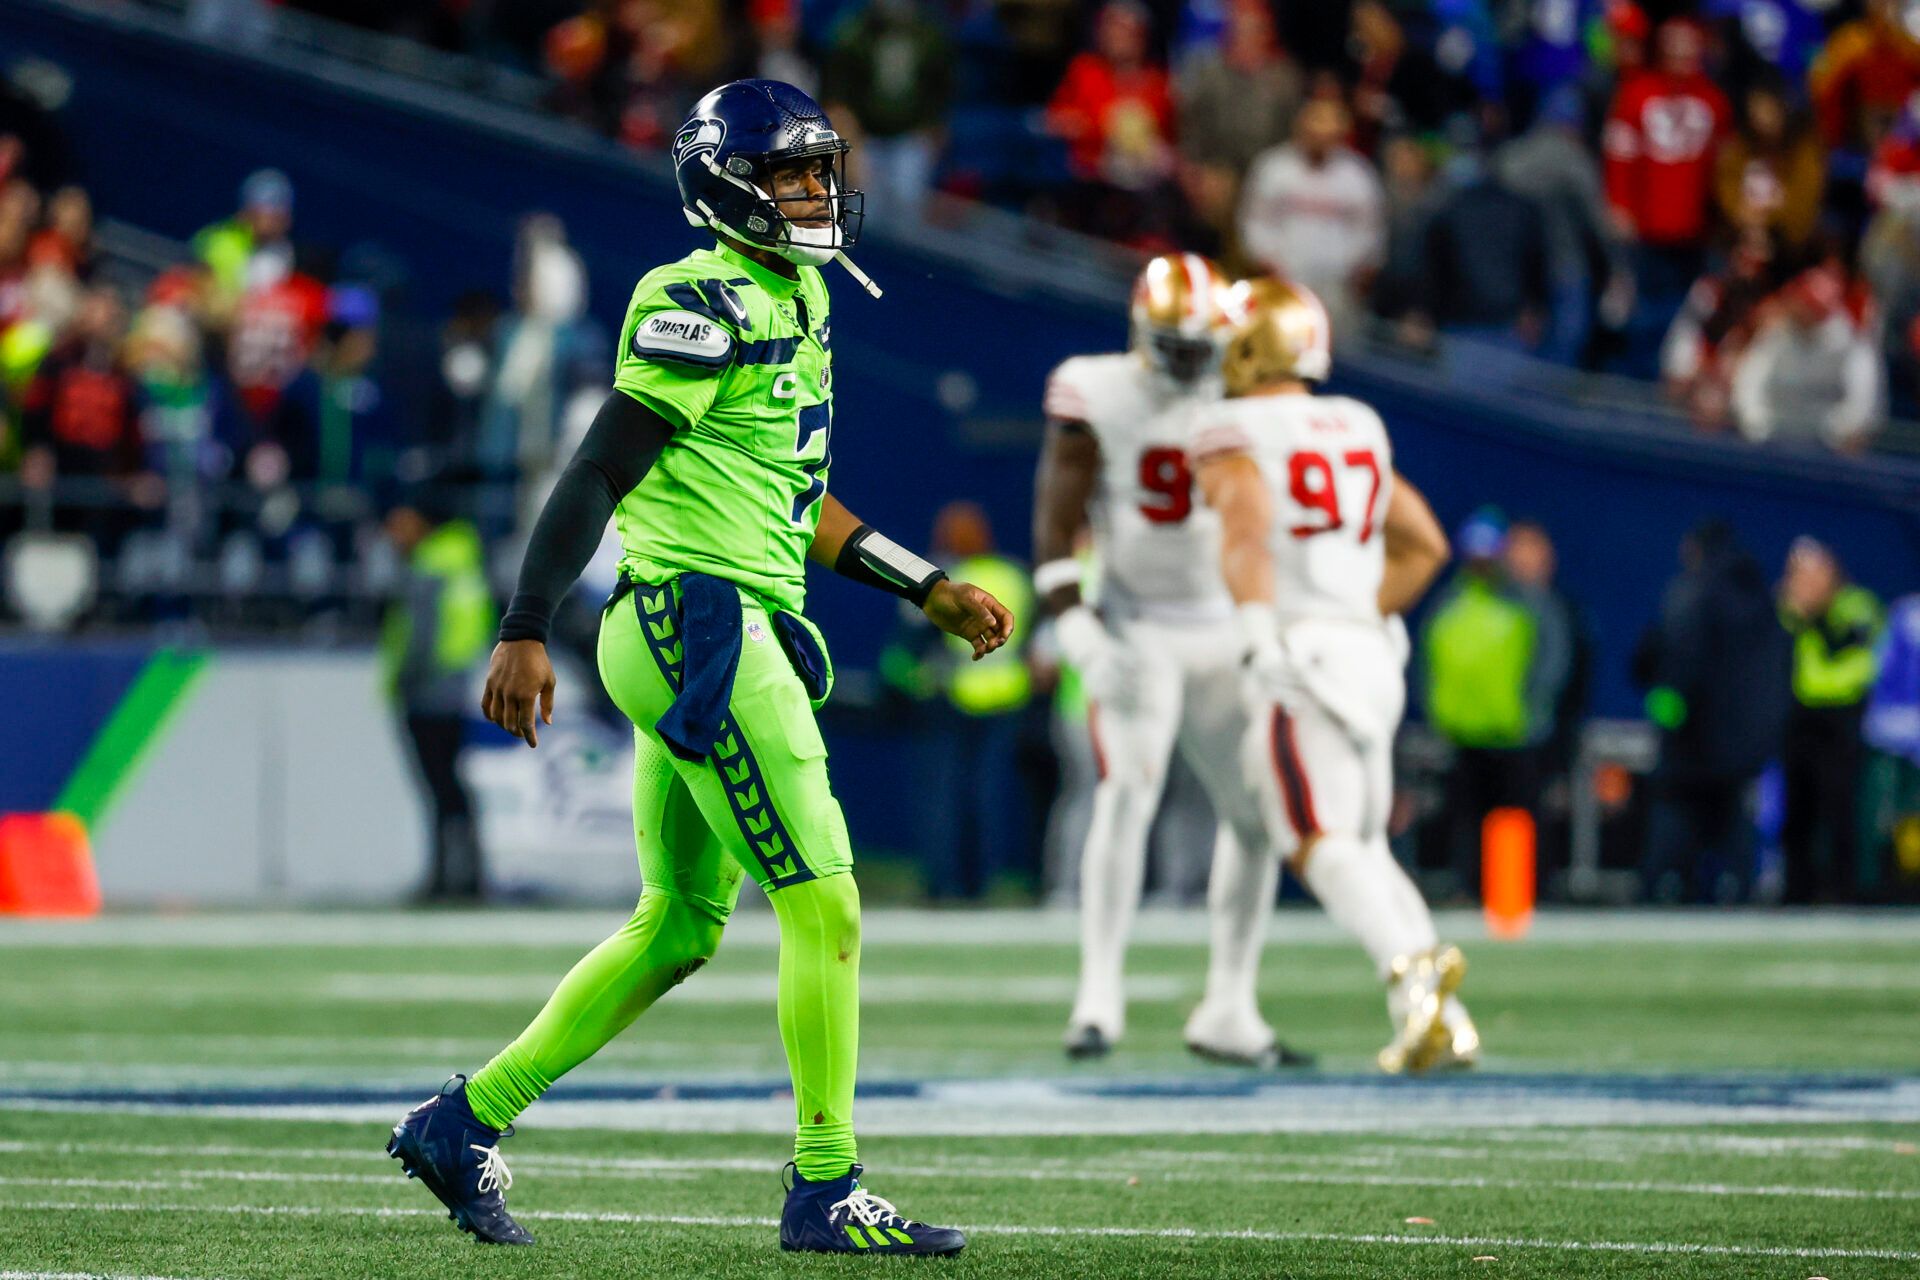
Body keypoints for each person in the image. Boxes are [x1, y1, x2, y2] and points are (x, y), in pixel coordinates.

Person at [384, 80, 1011, 1255]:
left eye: (822, 170)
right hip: (698, 623)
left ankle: (460, 1121)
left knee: (677, 922)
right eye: (790, 173)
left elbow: (797, 495)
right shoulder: (695, 295)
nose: (817, 192)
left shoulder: (802, 292)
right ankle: (826, 1185)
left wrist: (925, 583)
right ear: (724, 182)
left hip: (709, 624)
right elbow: (596, 470)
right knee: (825, 897)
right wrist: (524, 621)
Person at [1191, 277, 1478, 1075]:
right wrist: (1359, 608)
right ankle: (1442, 1019)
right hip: (1368, 654)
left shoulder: (1231, 425)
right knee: (1364, 847)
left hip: (1301, 656)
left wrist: (1259, 626)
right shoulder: (1358, 422)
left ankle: (1414, 970)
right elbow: (1424, 544)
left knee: (1311, 838)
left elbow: (1245, 528)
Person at [1034, 253, 1303, 1067]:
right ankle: (1098, 997)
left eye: (1201, 347)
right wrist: (1075, 628)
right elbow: (1054, 526)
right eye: (1175, 346)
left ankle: (1230, 1003)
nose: (1190, 367)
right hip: (1138, 622)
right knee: (1126, 791)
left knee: (1256, 816)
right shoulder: (1096, 390)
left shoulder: (1248, 391)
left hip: (1226, 623)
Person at [1632, 519, 1791, 903]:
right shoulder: (1760, 598)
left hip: (1694, 738)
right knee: (1734, 817)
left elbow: (1676, 657)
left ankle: (1661, 889)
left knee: (1676, 813)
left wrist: (1668, 707)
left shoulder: (1694, 592)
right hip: (1744, 742)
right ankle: (1739, 891)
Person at [1420, 510, 1565, 899]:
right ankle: (1472, 891)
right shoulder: (1450, 604)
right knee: (1468, 822)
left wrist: (1535, 716)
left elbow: (1550, 663)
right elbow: (1429, 666)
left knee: (1515, 820)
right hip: (1464, 735)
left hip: (1515, 734)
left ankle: (1517, 896)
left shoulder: (1526, 602)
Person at [379, 485, 496, 903]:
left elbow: (420, 635)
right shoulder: (463, 557)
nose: (393, 530)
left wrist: (403, 678)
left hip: (428, 692)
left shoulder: (429, 565)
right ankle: (470, 877)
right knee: (453, 788)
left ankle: (444, 878)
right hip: (457, 686)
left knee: (439, 790)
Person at [1777, 538, 1884, 904]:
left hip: (1842, 719)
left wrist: (1815, 613)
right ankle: (1796, 891)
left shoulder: (1855, 605)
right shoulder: (1786, 607)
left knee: (1841, 810)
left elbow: (1856, 654)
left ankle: (1845, 890)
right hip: (1799, 720)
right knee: (1796, 811)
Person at [1238, 98, 1384, 333]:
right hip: (1282, 281)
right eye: (1314, 128)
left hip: (1338, 289)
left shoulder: (1358, 175)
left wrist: (1355, 272)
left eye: (1328, 131)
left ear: (1341, 133)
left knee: (1338, 357)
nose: (1320, 137)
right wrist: (1268, 263)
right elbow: (1255, 223)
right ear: (1300, 128)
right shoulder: (1273, 167)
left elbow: (1370, 234)